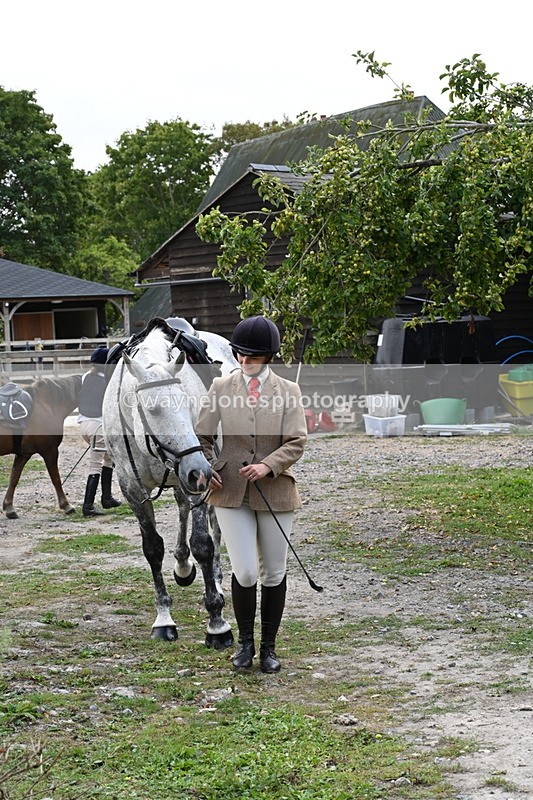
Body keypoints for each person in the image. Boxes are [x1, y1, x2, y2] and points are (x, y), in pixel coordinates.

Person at [197, 316, 307, 673]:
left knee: (273, 572)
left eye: (254, 357)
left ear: (269, 357)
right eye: (241, 354)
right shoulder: (220, 387)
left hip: (275, 489)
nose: (245, 361)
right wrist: (207, 465)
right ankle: (245, 644)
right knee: (244, 572)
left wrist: (268, 465)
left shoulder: (289, 391)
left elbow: (296, 441)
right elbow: (201, 435)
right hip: (229, 488)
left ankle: (269, 648)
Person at [77, 347, 122, 517]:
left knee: (108, 458)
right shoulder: (108, 382)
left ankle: (107, 498)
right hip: (98, 427)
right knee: (95, 464)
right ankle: (88, 506)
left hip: (84, 425)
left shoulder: (85, 376)